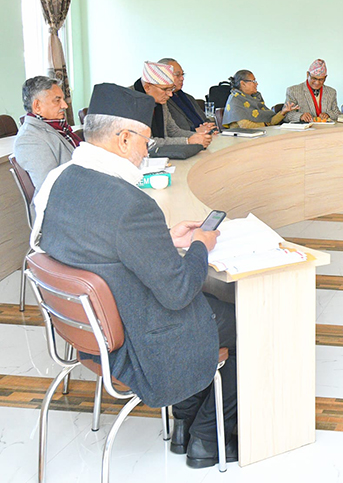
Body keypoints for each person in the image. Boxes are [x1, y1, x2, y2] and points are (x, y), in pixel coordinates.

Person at [31, 83, 238, 468]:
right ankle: (207, 439)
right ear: (124, 138)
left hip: (89, 333)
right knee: (247, 319)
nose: (147, 150)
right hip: (141, 340)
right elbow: (178, 291)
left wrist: (164, 239)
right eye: (145, 140)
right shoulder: (131, 204)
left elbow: (96, 246)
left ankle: (184, 424)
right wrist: (200, 246)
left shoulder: (59, 180)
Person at [13, 76, 81, 191]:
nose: (65, 106)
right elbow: (52, 189)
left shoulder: (59, 127)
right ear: (37, 106)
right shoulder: (29, 140)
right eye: (57, 100)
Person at [134, 61, 213, 147]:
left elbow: (173, 131)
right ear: (147, 87)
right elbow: (146, 142)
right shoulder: (131, 102)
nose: (170, 94)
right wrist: (187, 141)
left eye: (171, 89)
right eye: (165, 89)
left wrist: (200, 136)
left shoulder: (159, 98)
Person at [221, 69, 296, 128]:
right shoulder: (235, 100)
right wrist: (266, 125)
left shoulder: (256, 97)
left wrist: (283, 112)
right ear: (243, 83)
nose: (257, 84)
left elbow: (271, 122)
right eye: (253, 81)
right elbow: (245, 125)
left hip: (260, 134)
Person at [160, 58, 215, 132]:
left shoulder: (189, 98)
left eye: (182, 75)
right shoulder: (162, 100)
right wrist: (196, 131)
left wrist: (209, 127)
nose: (182, 78)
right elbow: (171, 131)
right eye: (178, 75)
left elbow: (205, 119)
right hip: (186, 137)